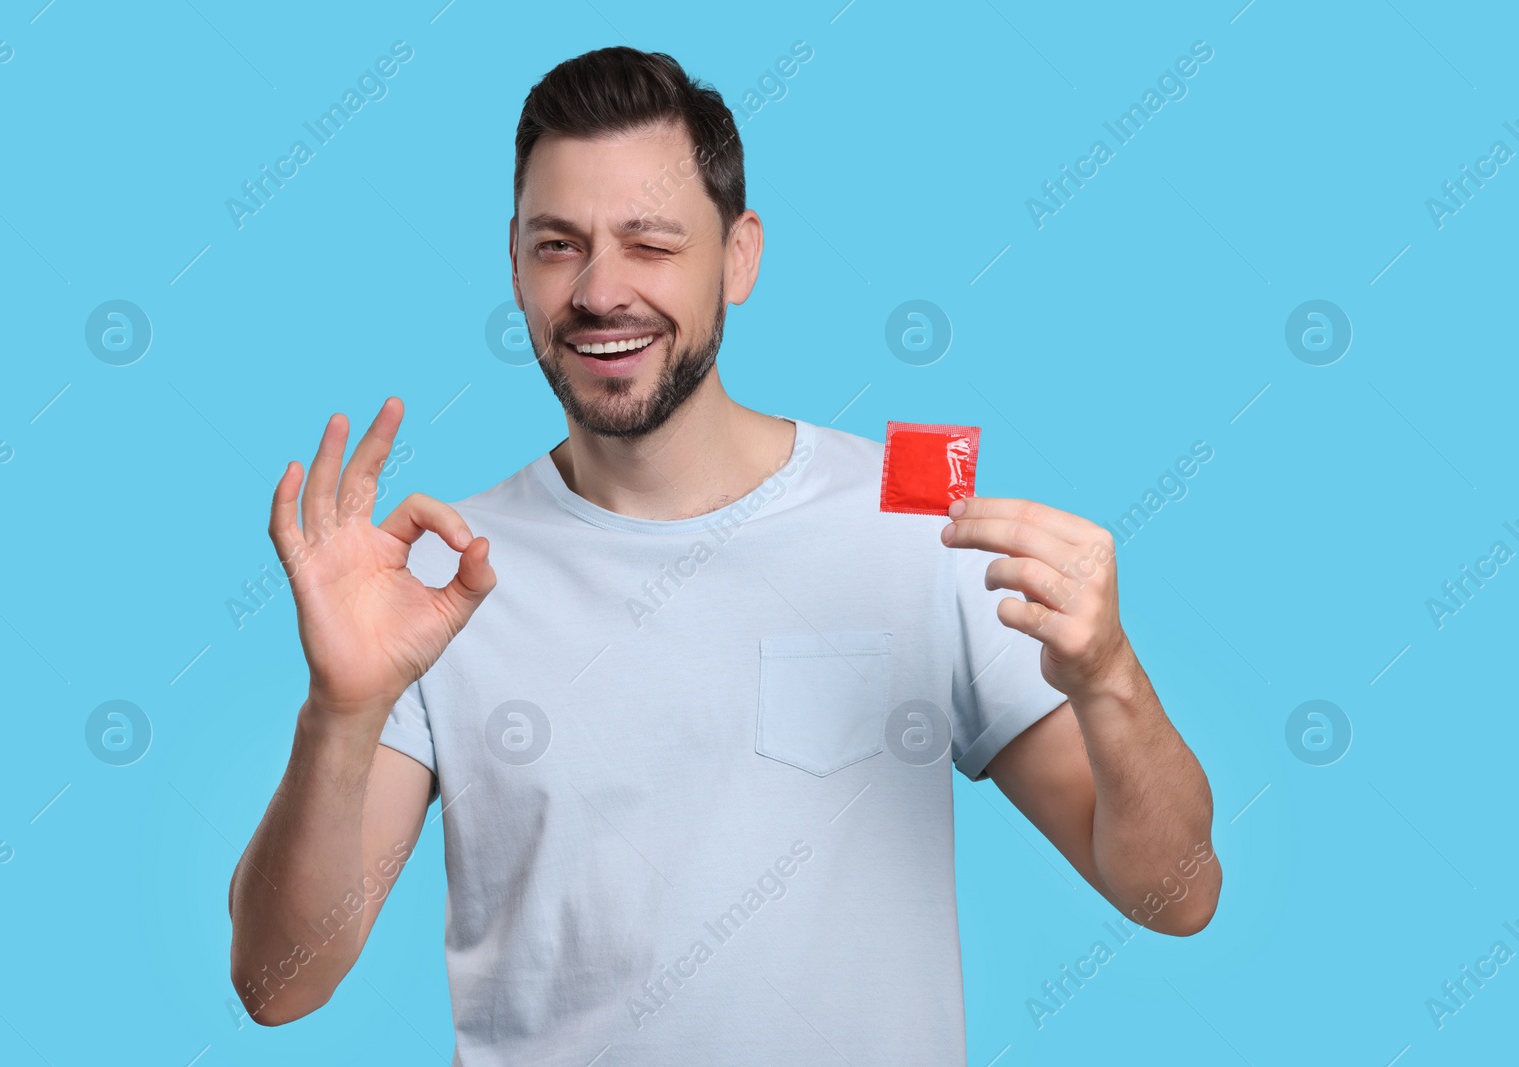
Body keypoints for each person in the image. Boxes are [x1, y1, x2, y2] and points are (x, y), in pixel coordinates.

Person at [228, 46, 1220, 1065]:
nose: (600, 289)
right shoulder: (440, 580)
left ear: (739, 256)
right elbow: (279, 982)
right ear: (515, 264)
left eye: (650, 244)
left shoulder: (919, 515)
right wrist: (340, 709)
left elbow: (1177, 892)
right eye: (558, 245)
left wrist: (1110, 678)